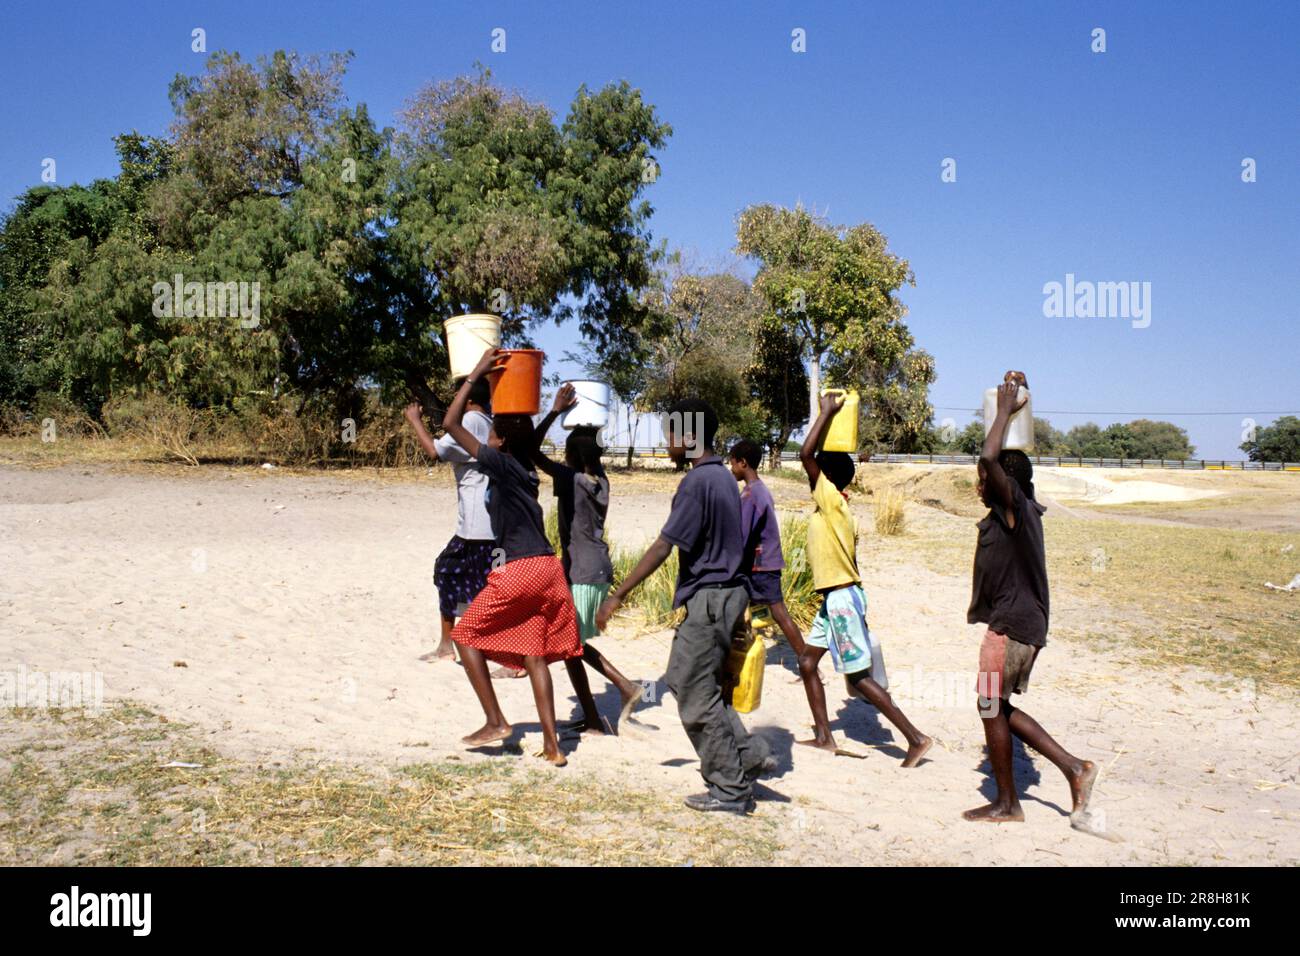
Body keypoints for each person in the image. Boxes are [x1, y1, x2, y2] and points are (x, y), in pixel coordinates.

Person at [596, 399, 774, 815]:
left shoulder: (697, 482)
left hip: (711, 599)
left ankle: (730, 789)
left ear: (689, 435)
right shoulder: (721, 477)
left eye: (670, 434)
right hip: (724, 596)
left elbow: (664, 545)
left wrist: (618, 595)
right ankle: (746, 754)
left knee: (695, 696)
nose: (667, 443)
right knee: (682, 678)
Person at [964, 374, 1097, 824]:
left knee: (989, 704)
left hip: (1012, 626)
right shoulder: (1018, 510)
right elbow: (995, 460)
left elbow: (990, 456)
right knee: (995, 705)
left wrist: (1004, 411)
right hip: (1021, 623)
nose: (979, 483)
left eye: (984, 479)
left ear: (1003, 483)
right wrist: (1017, 387)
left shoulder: (1014, 508)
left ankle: (1008, 803)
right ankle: (1074, 769)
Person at [441, 347, 583, 767]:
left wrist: (477, 373)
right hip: (549, 569)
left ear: (500, 441)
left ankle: (496, 721)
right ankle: (553, 747)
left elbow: (450, 424)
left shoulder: (500, 464)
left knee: (464, 637)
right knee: (534, 655)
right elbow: (528, 442)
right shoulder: (525, 467)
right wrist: (552, 412)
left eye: (490, 435)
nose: (485, 439)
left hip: (519, 568)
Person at [796, 392, 932, 766]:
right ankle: (824, 737)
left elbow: (805, 455)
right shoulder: (837, 509)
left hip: (841, 600)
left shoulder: (831, 502)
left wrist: (826, 413)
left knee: (858, 678)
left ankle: (916, 738)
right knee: (807, 663)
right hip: (837, 599)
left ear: (826, 478)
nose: (810, 477)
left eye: (817, 473)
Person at [530, 383, 643, 735]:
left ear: (573, 458)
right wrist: (584, 425)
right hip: (596, 567)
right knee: (570, 645)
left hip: (582, 570)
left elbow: (531, 450)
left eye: (566, 454)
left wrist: (555, 411)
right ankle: (592, 718)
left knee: (571, 644)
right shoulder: (601, 480)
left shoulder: (572, 478)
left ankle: (625, 686)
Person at [404, 380, 496, 664]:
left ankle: (458, 645)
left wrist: (415, 420)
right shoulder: (487, 421)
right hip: (483, 523)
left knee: (453, 574)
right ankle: (452, 644)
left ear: (466, 398)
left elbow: (435, 451)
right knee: (457, 575)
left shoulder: (471, 420)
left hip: (476, 527)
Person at [727, 439, 816, 685]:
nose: (730, 468)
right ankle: (737, 661)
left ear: (742, 463)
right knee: (745, 611)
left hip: (761, 565)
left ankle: (809, 667)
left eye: (732, 463)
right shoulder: (758, 489)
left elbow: (743, 536)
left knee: (779, 613)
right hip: (761, 563)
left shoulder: (751, 494)